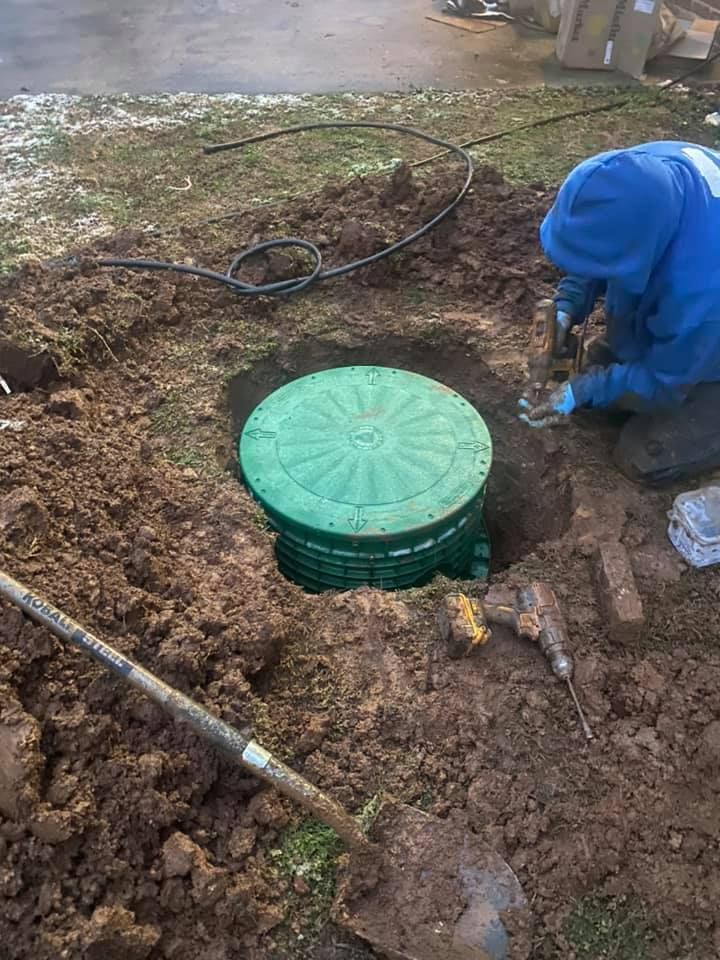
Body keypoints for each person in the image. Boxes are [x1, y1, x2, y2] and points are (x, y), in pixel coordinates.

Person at [519, 140, 720, 483]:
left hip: (707, 337)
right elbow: (596, 255)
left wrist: (581, 391)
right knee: (600, 389)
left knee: (643, 456)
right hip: (685, 302)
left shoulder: (701, 292)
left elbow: (664, 382)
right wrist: (566, 308)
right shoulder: (634, 178)